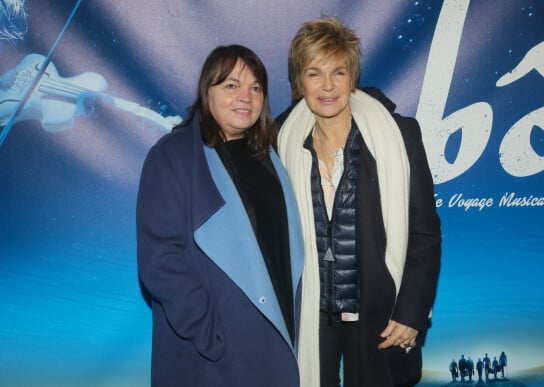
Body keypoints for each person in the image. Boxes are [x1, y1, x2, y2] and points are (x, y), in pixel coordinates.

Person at [277, 16, 441, 387]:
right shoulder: (280, 141)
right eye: (314, 73)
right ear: (298, 81)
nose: (328, 86)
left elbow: (424, 231)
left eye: (338, 72)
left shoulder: (399, 136)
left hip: (378, 313)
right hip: (310, 317)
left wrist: (412, 312)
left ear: (352, 76)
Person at [136, 44, 304, 387]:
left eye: (256, 88)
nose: (246, 96)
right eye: (231, 85)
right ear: (206, 92)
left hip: (273, 345)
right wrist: (210, 334)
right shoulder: (175, 155)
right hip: (213, 358)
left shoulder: (269, 157)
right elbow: (160, 259)